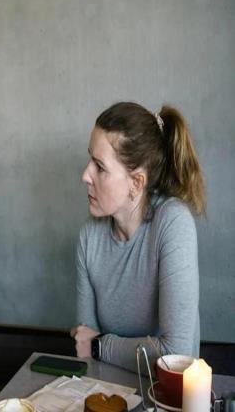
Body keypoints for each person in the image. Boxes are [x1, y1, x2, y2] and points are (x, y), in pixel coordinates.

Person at [70, 102, 206, 373]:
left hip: (165, 393)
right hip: (107, 390)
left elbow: (176, 356)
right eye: (90, 160)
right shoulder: (89, 237)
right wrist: (94, 346)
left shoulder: (173, 223)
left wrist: (101, 345)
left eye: (100, 167)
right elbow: (84, 347)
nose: (85, 175)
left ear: (136, 183)